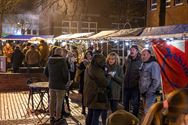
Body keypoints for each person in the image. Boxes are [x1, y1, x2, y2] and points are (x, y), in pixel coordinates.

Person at [44, 47, 69, 125]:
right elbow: (65, 74)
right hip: (60, 85)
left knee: (52, 101)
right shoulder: (62, 61)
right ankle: (58, 118)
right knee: (59, 102)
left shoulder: (49, 60)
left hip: (52, 84)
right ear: (60, 53)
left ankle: (51, 117)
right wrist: (65, 82)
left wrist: (51, 78)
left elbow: (45, 72)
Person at [84, 54, 109, 125]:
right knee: (95, 116)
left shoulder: (89, 67)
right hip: (97, 96)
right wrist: (109, 76)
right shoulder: (97, 70)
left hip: (90, 95)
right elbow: (105, 82)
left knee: (90, 114)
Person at [139, 48, 161, 113]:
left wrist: (151, 91)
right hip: (144, 92)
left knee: (148, 111)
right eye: (141, 55)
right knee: (146, 110)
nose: (142, 56)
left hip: (150, 93)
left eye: (144, 55)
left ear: (149, 55)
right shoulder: (143, 64)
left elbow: (156, 80)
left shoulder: (154, 64)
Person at [124, 45, 142, 117]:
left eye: (133, 50)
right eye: (131, 49)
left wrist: (138, 82)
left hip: (135, 86)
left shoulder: (140, 61)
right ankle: (126, 117)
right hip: (126, 86)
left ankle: (134, 118)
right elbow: (125, 70)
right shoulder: (127, 60)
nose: (131, 51)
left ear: (137, 51)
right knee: (125, 103)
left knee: (135, 104)